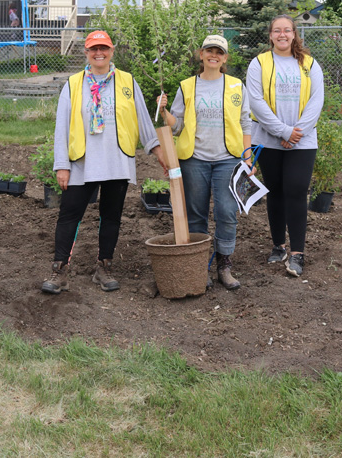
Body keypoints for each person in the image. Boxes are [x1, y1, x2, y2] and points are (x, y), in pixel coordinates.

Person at [42, 30, 167, 294]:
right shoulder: (74, 84)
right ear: (86, 53)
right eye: (93, 49)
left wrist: (158, 153)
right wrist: (61, 165)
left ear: (112, 51)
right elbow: (61, 126)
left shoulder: (127, 82)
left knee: (111, 217)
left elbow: (143, 121)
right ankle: (59, 271)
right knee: (69, 216)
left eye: (104, 48)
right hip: (82, 162)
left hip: (116, 160)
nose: (99, 53)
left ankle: (104, 267)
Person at [157, 34, 252, 290]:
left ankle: (224, 265)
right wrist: (165, 111)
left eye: (219, 52)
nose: (214, 55)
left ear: (225, 58)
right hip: (194, 159)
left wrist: (247, 157)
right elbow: (178, 126)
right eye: (209, 50)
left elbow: (245, 123)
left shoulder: (236, 86)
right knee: (196, 214)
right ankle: (200, 267)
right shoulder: (187, 86)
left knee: (227, 212)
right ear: (201, 55)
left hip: (228, 160)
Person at [246, 14, 324, 278]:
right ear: (270, 35)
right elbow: (255, 100)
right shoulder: (259, 64)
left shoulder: (310, 65)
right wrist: (282, 131)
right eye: (277, 31)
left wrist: (295, 134)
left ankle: (297, 253)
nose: (282, 35)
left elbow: (316, 101)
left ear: (294, 34)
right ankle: (278, 245)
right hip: (268, 139)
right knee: (275, 191)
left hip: (303, 141)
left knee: (296, 190)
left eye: (287, 30)